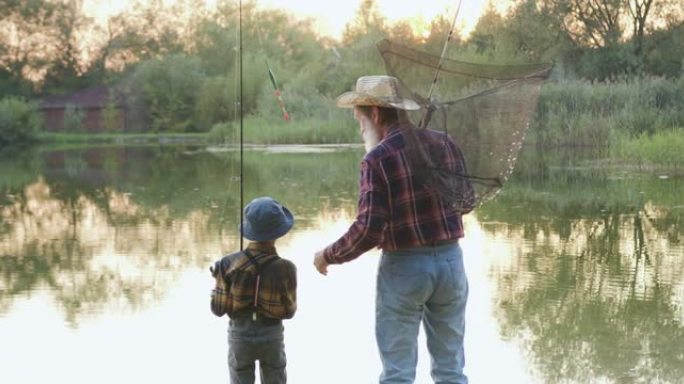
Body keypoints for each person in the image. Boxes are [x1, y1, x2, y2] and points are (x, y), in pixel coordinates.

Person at [313, 75, 473, 384]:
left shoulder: (377, 159)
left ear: (374, 113)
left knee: (397, 374)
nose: (360, 126)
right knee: (451, 370)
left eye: (359, 118)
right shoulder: (444, 143)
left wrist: (327, 256)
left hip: (405, 267)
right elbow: (465, 202)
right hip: (451, 264)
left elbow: (369, 229)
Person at [211, 196, 297, 384]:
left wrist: (219, 279)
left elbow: (218, 310)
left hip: (240, 335)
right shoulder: (287, 268)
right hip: (272, 336)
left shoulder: (227, 264)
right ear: (278, 232)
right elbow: (289, 312)